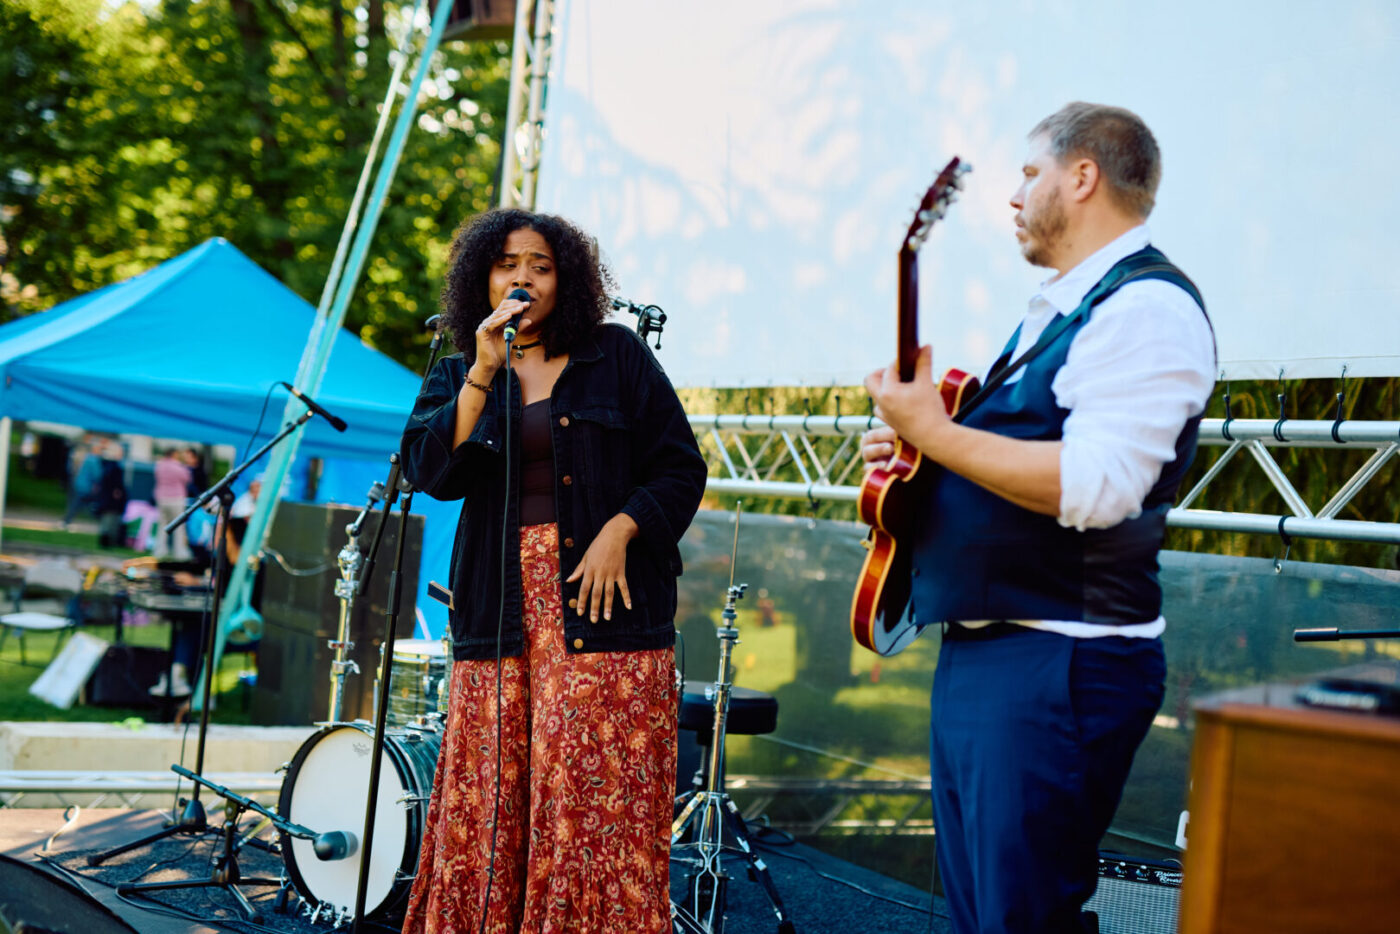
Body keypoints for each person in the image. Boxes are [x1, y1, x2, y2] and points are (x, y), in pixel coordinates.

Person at [861, 102, 1215, 933]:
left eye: (1030, 173)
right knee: (986, 919)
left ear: (1082, 175)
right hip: (991, 657)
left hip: (1060, 660)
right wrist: (918, 450)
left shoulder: (1147, 308)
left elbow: (1099, 485)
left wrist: (936, 434)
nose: (1015, 196)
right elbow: (993, 453)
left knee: (1022, 920)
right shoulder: (1057, 311)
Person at [399, 208, 707, 932]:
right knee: (493, 797)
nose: (524, 278)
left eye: (541, 266)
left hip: (605, 612)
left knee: (590, 802)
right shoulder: (460, 370)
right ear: (483, 280)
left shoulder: (615, 355)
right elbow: (429, 472)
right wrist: (483, 370)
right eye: (508, 265)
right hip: (499, 611)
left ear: (565, 281)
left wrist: (621, 530)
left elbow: (680, 468)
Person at [152, 448, 193, 559]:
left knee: (162, 525)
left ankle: (160, 550)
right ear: (174, 454)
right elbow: (187, 478)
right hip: (176, 498)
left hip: (162, 498)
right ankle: (179, 552)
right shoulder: (178, 466)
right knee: (179, 526)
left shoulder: (159, 466)